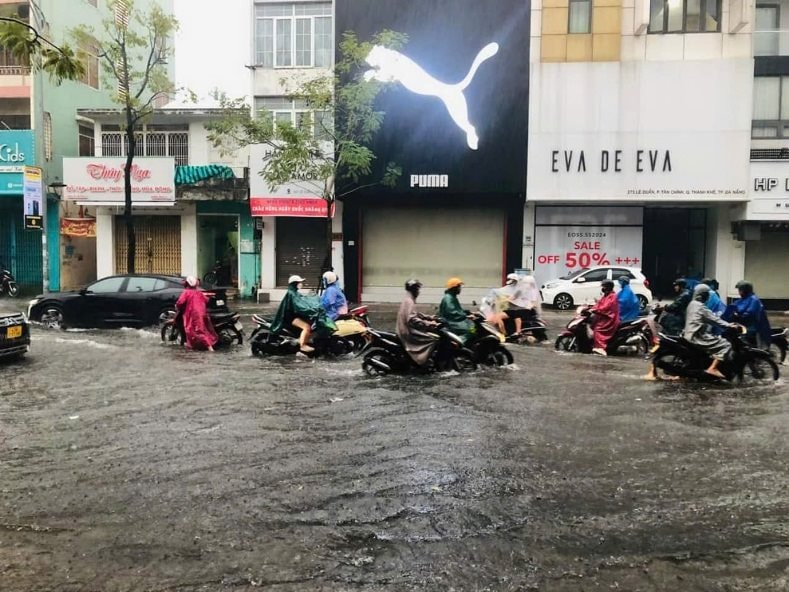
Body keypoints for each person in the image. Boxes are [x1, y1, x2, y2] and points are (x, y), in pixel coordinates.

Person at [684, 284, 740, 378]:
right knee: (726, 344)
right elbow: (714, 320)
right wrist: (729, 325)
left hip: (689, 334)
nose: (707, 297)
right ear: (702, 296)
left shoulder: (692, 304)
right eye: (706, 295)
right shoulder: (701, 307)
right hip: (697, 337)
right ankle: (712, 368)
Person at [271, 275, 321, 353]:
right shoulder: (292, 294)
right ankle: (303, 345)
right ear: (294, 283)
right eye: (299, 282)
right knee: (307, 327)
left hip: (294, 316)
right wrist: (310, 310)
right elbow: (299, 307)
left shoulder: (294, 292)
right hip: (291, 318)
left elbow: (303, 299)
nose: (301, 284)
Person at [397, 279, 441, 366]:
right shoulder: (409, 301)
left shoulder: (408, 299)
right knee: (433, 339)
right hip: (408, 331)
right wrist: (430, 324)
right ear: (414, 290)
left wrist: (428, 317)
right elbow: (413, 319)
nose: (419, 292)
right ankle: (422, 361)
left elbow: (416, 314)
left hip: (406, 329)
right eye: (418, 289)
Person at [175, 276, 218, 352]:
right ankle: (191, 346)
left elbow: (180, 302)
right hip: (202, 313)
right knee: (198, 330)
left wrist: (177, 305)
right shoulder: (198, 292)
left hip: (193, 315)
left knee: (195, 331)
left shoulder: (186, 292)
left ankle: (210, 348)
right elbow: (206, 300)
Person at [724, 280, 771, 348]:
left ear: (746, 290)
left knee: (737, 335)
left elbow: (750, 313)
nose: (739, 292)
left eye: (740, 290)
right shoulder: (743, 299)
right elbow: (733, 306)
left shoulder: (754, 300)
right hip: (742, 323)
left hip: (752, 326)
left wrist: (738, 316)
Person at [590, 279, 620, 356]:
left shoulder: (612, 296)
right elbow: (599, 303)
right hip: (604, 317)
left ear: (608, 287)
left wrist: (596, 310)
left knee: (597, 329)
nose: (602, 288)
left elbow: (605, 307)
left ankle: (601, 347)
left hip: (610, 319)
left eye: (604, 286)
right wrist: (591, 307)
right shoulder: (606, 295)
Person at [438, 277, 473, 342]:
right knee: (472, 330)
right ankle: (459, 341)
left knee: (472, 325)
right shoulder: (449, 298)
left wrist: (468, 312)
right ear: (454, 288)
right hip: (451, 322)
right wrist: (465, 315)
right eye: (459, 287)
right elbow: (452, 312)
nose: (460, 289)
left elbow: (457, 310)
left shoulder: (452, 297)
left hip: (454, 321)